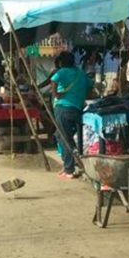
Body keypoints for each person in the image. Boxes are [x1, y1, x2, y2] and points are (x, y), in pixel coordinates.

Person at [49, 51, 90, 179]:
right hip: (77, 109)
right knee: (60, 135)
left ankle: (69, 169)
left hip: (63, 108)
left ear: (62, 62)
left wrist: (56, 94)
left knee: (65, 139)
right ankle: (69, 164)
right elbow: (90, 85)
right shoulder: (81, 73)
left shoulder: (62, 72)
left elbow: (53, 80)